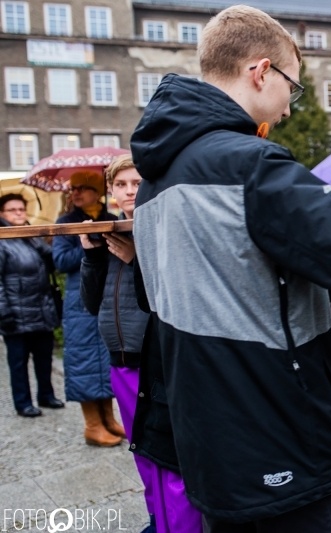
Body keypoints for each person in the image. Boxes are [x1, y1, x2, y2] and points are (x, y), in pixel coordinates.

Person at [129, 6, 331, 531]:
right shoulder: (249, 165)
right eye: (293, 85)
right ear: (261, 71)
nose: (290, 106)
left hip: (206, 430)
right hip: (273, 431)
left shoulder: (156, 178)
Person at [79, 155, 201, 533]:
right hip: (121, 360)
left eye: (136, 183)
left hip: (157, 361)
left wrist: (136, 259)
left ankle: (182, 524)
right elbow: (90, 300)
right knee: (142, 449)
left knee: (169, 452)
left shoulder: (162, 227)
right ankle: (158, 517)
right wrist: (92, 255)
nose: (129, 191)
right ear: (111, 191)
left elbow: (173, 295)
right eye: (121, 185)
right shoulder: (109, 228)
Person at [53, 171, 123, 446]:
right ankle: (92, 425)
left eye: (83, 188)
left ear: (98, 192)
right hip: (79, 300)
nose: (76, 193)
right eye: (73, 189)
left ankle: (108, 419)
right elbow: (60, 260)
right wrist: (89, 244)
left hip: (108, 294)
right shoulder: (66, 222)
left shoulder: (111, 219)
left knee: (106, 358)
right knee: (84, 359)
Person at [0, 193, 62, 417]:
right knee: (18, 362)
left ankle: (46, 395)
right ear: (2, 214)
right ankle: (23, 402)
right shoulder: (2, 240)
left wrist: (44, 241)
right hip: (16, 313)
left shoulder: (31, 236)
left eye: (21, 209)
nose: (18, 213)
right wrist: (4, 312)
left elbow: (52, 262)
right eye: (12, 210)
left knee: (44, 357)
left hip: (41, 309)